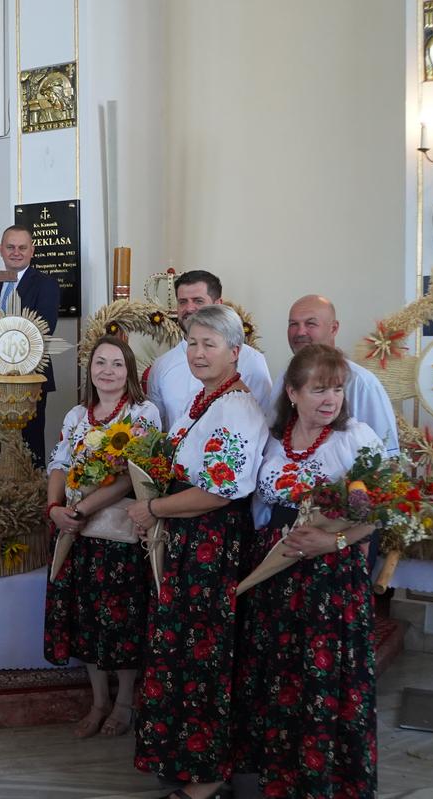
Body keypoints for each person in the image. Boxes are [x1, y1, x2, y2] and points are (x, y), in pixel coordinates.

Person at [125, 305, 269, 799]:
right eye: (192, 343)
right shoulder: (205, 400)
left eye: (210, 344)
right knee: (183, 655)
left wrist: (153, 508)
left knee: (203, 658)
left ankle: (207, 778)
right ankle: (185, 761)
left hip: (212, 547)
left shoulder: (236, 408)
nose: (199, 353)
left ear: (236, 352)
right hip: (189, 542)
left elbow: (220, 491)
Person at [232, 344, 380, 798]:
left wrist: (332, 541)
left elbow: (380, 514)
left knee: (321, 680)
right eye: (319, 389)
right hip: (274, 578)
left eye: (337, 389)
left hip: (329, 584)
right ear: (293, 393)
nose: (330, 399)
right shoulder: (271, 440)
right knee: (278, 676)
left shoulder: (355, 438)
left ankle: (322, 781)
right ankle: (276, 775)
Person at [44, 335, 162, 739]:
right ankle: (98, 702)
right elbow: (59, 463)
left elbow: (133, 474)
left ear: (129, 371)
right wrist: (55, 509)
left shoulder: (143, 414)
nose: (107, 371)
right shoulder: (78, 415)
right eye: (100, 363)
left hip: (119, 536)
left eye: (116, 364)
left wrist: (82, 510)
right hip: (77, 536)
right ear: (89, 370)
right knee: (87, 623)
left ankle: (124, 703)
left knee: (121, 624)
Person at [0, 225, 61, 467]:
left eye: (22, 247)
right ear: (0, 249)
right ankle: (3, 484)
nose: (16, 252)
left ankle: (33, 487)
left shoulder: (46, 285)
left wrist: (14, 368)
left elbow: (43, 330)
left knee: (30, 443)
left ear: (32, 250)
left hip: (30, 379)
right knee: (0, 442)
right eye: (10, 247)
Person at [146, 270, 273, 431]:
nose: (189, 308)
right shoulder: (162, 365)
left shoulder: (251, 360)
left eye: (198, 300)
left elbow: (266, 421)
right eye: (183, 302)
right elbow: (157, 429)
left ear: (218, 304)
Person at [276, 294, 400, 456]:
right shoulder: (283, 378)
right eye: (293, 324)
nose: (300, 332)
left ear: (333, 328)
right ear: (292, 392)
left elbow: (387, 455)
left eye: (310, 323)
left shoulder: (361, 382)